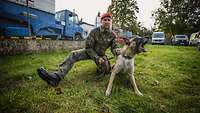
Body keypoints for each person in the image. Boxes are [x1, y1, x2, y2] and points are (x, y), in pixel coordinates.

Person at [37, 12, 120, 87]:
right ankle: (57, 77)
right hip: (90, 52)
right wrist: (97, 58)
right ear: (101, 21)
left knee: (105, 71)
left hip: (101, 55)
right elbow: (88, 47)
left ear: (111, 22)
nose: (107, 21)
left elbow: (114, 48)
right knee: (74, 54)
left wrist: (118, 51)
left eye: (109, 20)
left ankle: (101, 69)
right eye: (105, 19)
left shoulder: (113, 35)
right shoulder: (94, 32)